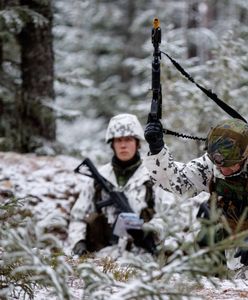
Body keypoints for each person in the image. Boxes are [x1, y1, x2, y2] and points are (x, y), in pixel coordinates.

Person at [144, 118, 248, 268]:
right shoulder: (214, 163)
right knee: (208, 216)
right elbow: (179, 183)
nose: (223, 170)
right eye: (219, 165)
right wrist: (157, 150)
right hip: (228, 233)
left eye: (231, 165)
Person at [68, 113, 170, 257]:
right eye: (118, 140)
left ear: (137, 143)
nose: (123, 145)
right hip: (101, 259)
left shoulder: (153, 177)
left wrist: (147, 230)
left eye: (128, 139)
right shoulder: (98, 178)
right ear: (112, 144)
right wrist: (78, 241)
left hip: (144, 258)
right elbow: (77, 217)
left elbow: (169, 216)